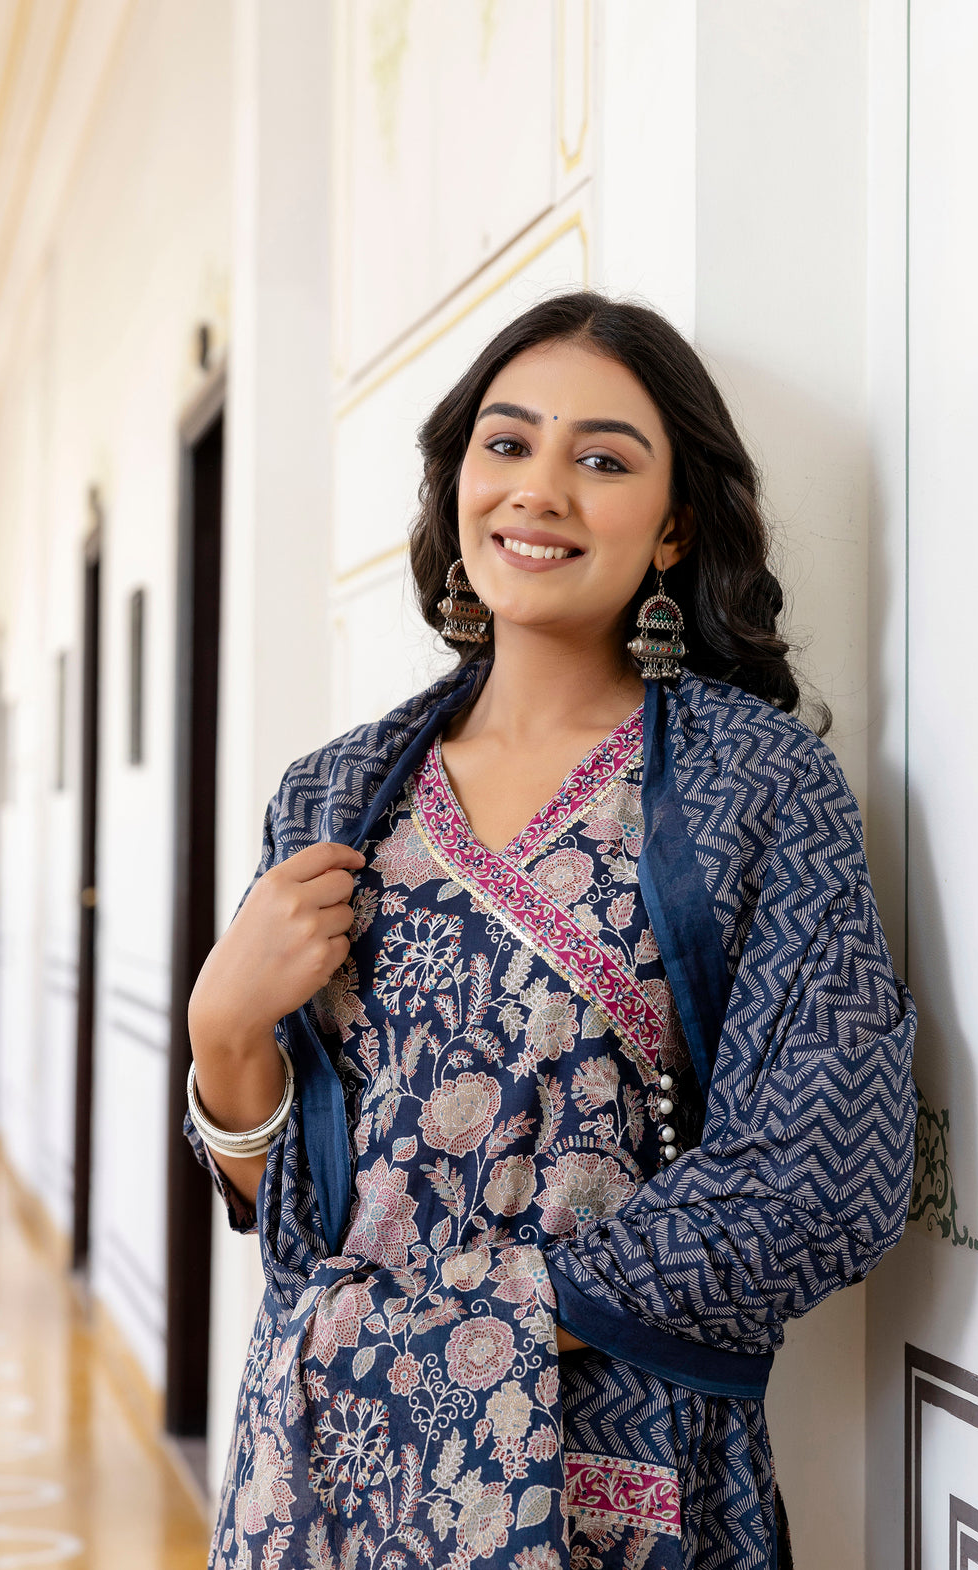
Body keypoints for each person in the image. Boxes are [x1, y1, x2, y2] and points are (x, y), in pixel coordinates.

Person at [185, 290, 917, 1570]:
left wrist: (484, 1321)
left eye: (601, 459)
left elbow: (821, 1180)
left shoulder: (754, 790)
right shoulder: (334, 794)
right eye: (506, 443)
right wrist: (222, 1026)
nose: (539, 491)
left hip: (616, 1477)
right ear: (458, 476)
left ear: (677, 523)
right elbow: (298, 1233)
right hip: (335, 1473)